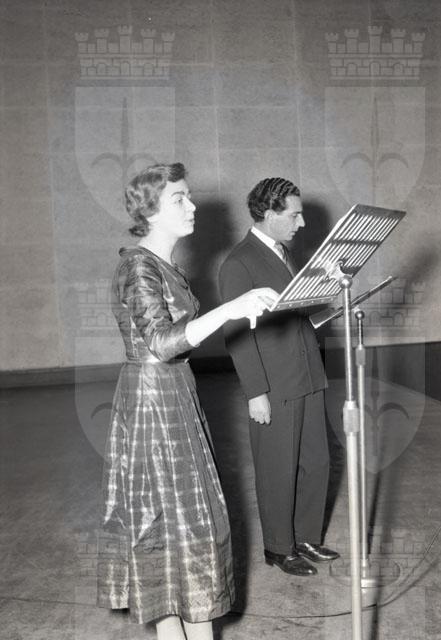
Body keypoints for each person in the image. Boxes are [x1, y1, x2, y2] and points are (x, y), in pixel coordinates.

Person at [96, 163, 277, 640]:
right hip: (153, 401)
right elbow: (160, 343)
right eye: (179, 198)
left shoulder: (162, 265)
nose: (192, 205)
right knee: (177, 527)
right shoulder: (138, 266)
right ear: (150, 211)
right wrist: (231, 309)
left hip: (173, 391)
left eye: (189, 195)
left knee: (183, 529)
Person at [218, 177, 339, 577]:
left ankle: (306, 537)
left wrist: (329, 292)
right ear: (270, 214)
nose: (301, 223)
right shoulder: (239, 263)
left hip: (307, 374)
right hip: (274, 383)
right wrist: (256, 392)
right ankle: (278, 547)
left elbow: (294, 315)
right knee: (277, 468)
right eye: (294, 215)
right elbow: (236, 333)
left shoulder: (285, 254)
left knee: (317, 461)